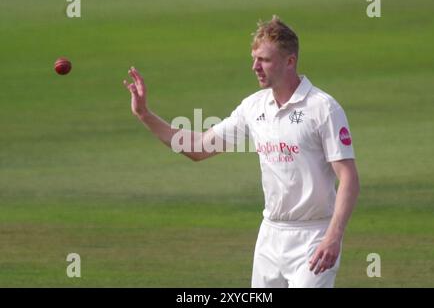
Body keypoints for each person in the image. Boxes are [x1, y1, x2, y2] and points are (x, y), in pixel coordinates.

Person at [123, 15, 360, 288]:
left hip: (314, 236)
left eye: (264, 60)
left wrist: (334, 235)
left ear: (290, 61)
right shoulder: (254, 107)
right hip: (270, 236)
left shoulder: (323, 109)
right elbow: (199, 148)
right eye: (254, 58)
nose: (255, 67)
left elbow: (349, 178)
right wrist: (144, 114)